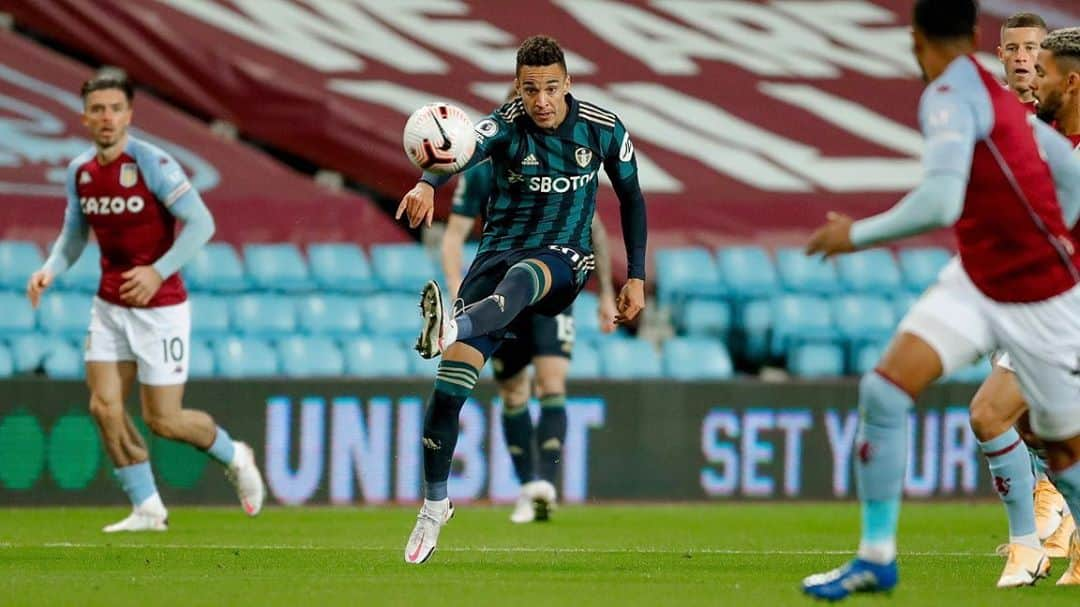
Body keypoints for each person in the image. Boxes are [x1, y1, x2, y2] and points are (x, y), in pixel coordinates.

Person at [800, 1, 1080, 598]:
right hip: (980, 276)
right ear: (981, 39)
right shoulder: (995, 93)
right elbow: (1066, 170)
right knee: (887, 386)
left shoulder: (949, 94)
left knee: (1060, 444)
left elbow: (940, 203)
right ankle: (877, 556)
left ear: (915, 38)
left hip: (1037, 292)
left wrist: (855, 235)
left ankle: (1044, 542)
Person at [395, 35, 647, 564]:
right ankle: (434, 506)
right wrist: (425, 184)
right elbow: (459, 149)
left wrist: (636, 277)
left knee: (525, 279)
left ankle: (452, 329)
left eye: (551, 88)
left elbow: (631, 199)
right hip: (495, 257)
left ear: (568, 84)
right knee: (448, 392)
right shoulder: (505, 123)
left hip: (562, 260)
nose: (542, 100)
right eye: (531, 89)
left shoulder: (602, 128)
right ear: (518, 87)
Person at [27, 72, 265, 532]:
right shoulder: (81, 172)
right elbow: (74, 236)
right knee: (103, 406)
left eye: (115, 108)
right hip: (110, 306)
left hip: (161, 309)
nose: (107, 117)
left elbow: (201, 223)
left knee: (165, 420)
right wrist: (49, 270)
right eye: (97, 109)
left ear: (129, 115)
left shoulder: (153, 163)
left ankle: (235, 454)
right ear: (85, 117)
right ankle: (148, 507)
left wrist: (158, 271)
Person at [442, 149, 618, 523]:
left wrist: (605, 292)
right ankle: (529, 486)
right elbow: (453, 235)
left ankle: (545, 487)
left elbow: (594, 228)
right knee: (513, 391)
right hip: (501, 288)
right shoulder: (481, 173)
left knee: (552, 381)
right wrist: (460, 288)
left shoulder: (562, 160)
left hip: (548, 285)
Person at [969, 22, 1080, 578]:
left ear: (1071, 81)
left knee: (993, 414)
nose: (1034, 77)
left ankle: (1030, 543)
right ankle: (1053, 534)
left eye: (1045, 69)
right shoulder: (1035, 133)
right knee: (1034, 426)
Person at [999, 12, 1048, 110]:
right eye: (1012, 48)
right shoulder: (987, 106)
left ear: (1044, 55)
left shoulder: (1062, 114)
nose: (1020, 57)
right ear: (1001, 55)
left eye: (1029, 48)